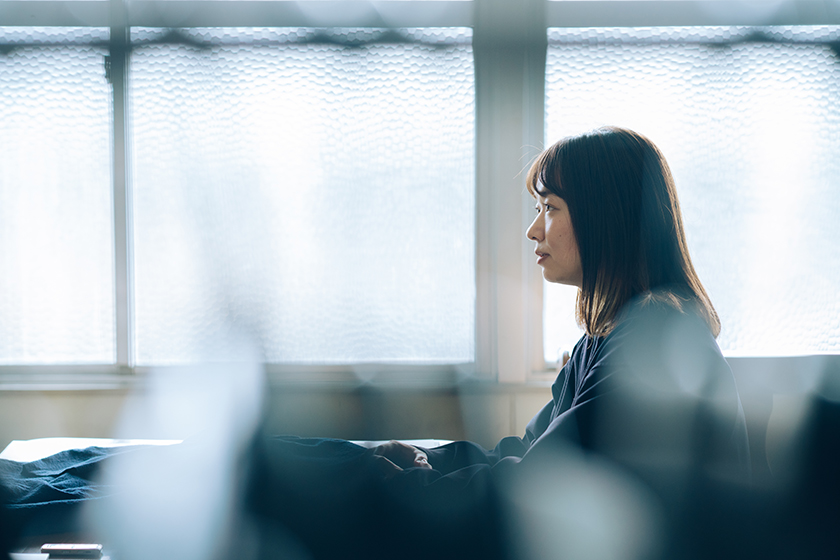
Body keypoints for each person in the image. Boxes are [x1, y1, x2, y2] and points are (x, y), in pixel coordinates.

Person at [247, 127, 751, 560]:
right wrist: (426, 458)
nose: (533, 230)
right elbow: (526, 450)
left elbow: (534, 482)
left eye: (549, 208)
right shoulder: (607, 338)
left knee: (331, 490)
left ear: (606, 220)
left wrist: (405, 480)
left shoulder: (653, 344)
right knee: (342, 461)